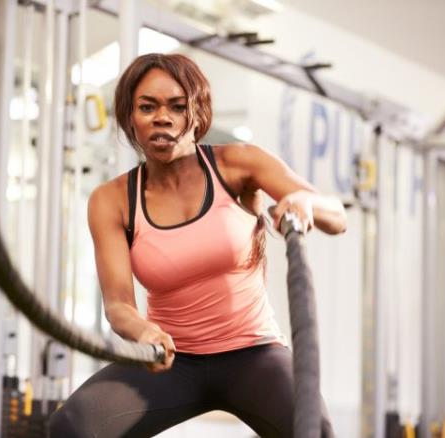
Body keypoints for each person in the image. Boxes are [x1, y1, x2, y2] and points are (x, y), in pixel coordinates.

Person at [49, 53, 346, 438]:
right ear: (130, 117)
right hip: (172, 359)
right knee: (72, 426)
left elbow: (337, 216)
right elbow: (118, 304)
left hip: (253, 352)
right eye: (147, 107)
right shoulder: (113, 199)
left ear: (197, 112)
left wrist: (307, 202)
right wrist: (144, 332)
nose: (162, 117)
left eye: (177, 105)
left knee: (315, 430)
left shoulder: (239, 164)